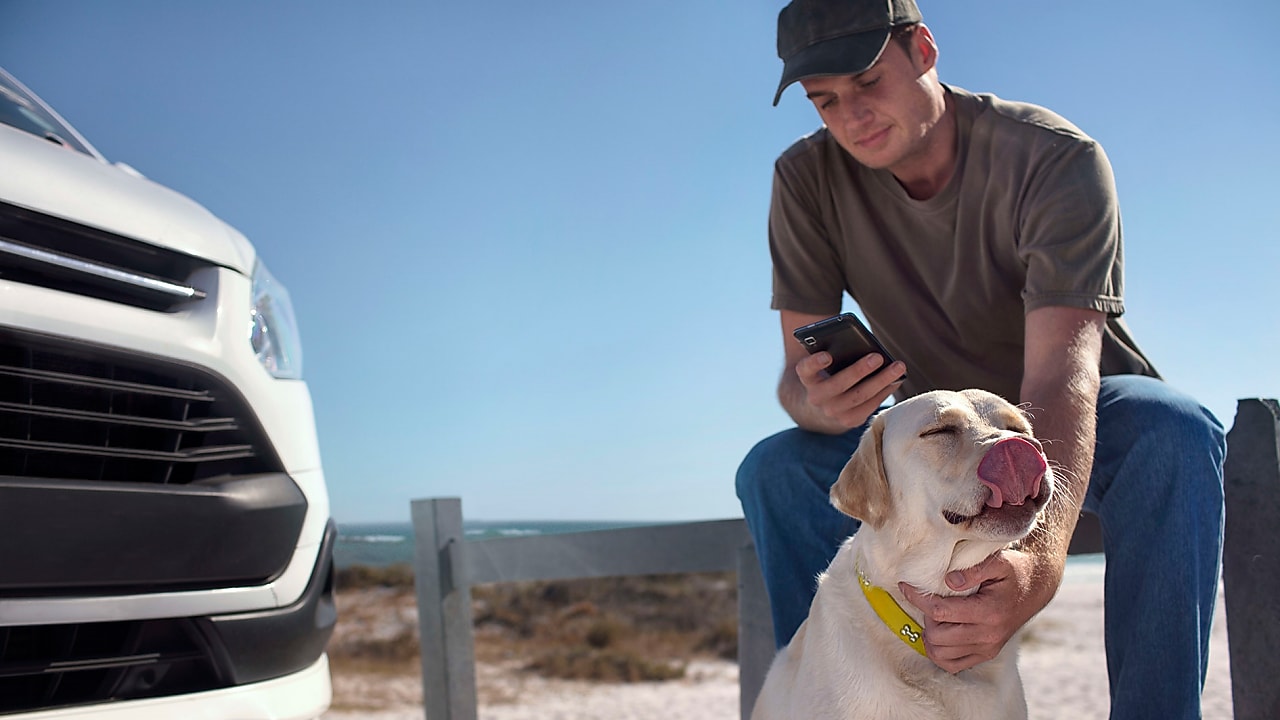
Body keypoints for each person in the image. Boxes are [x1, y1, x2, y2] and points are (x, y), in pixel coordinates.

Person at [734, 1, 1226, 717]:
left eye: (868, 81)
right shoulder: (806, 179)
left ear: (924, 49)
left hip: (1074, 424)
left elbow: (1059, 377)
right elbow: (795, 378)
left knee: (1175, 429)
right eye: (825, 100)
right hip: (937, 440)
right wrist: (820, 401)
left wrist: (1037, 566)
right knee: (777, 469)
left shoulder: (1055, 157)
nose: (852, 116)